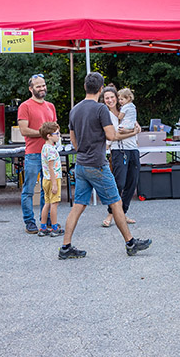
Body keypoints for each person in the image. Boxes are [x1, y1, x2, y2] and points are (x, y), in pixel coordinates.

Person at [59, 72, 151, 260]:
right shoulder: (100, 109)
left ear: (85, 87)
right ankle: (130, 243)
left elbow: (74, 141)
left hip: (82, 164)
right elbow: (112, 135)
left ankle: (65, 247)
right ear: (101, 89)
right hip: (97, 165)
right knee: (116, 202)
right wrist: (133, 132)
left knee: (78, 206)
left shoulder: (74, 110)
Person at [18, 73, 58, 234]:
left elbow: (55, 127)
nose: (42, 88)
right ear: (31, 89)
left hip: (49, 154)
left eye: (43, 85)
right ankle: (29, 222)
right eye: (38, 86)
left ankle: (46, 220)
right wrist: (43, 133)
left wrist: (54, 136)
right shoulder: (25, 106)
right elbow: (23, 130)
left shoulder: (50, 106)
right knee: (28, 189)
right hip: (33, 153)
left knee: (47, 189)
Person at [101, 87, 141, 227]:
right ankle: (111, 213)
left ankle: (122, 213)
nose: (110, 100)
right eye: (107, 98)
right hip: (118, 150)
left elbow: (138, 128)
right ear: (104, 100)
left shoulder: (127, 110)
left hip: (133, 149)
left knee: (132, 182)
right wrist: (132, 132)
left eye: (112, 97)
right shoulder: (106, 114)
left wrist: (134, 130)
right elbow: (115, 136)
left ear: (117, 98)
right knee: (119, 183)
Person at [38, 122, 63, 237]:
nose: (59, 135)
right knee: (54, 204)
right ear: (49, 135)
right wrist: (54, 184)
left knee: (47, 203)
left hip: (45, 179)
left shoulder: (45, 147)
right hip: (53, 179)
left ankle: (43, 227)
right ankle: (54, 227)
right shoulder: (52, 150)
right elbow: (51, 167)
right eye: (56, 133)